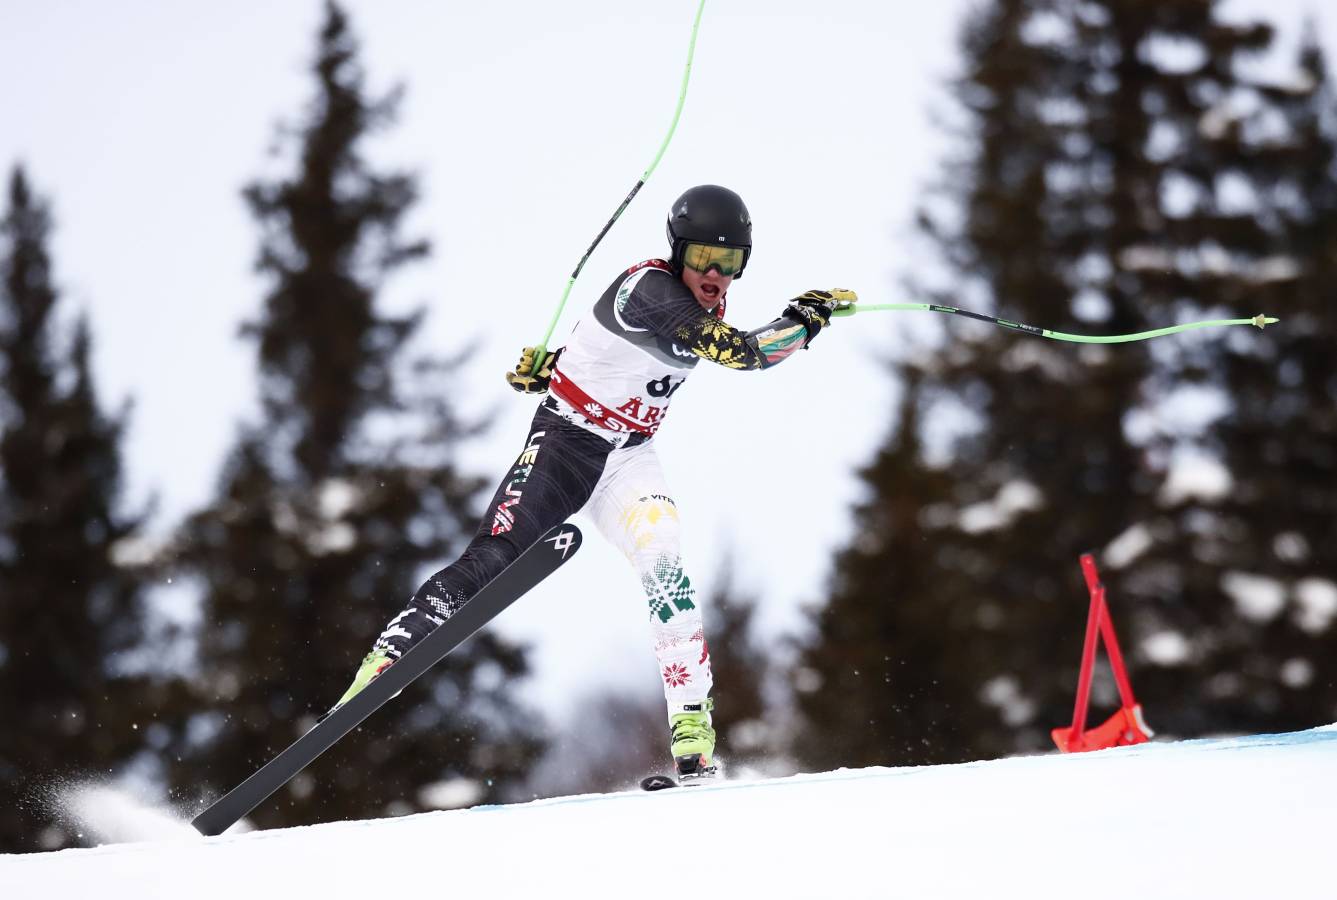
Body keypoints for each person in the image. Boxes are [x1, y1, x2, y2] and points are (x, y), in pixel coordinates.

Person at [332, 184, 856, 782]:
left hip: (630, 458)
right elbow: (740, 355)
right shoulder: (653, 288)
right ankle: (387, 658)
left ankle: (693, 732)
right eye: (706, 259)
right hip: (566, 447)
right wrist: (804, 321)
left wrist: (553, 367)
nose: (717, 275)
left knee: (665, 566)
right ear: (679, 252)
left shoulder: (697, 303)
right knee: (497, 555)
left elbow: (617, 358)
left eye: (732, 262)